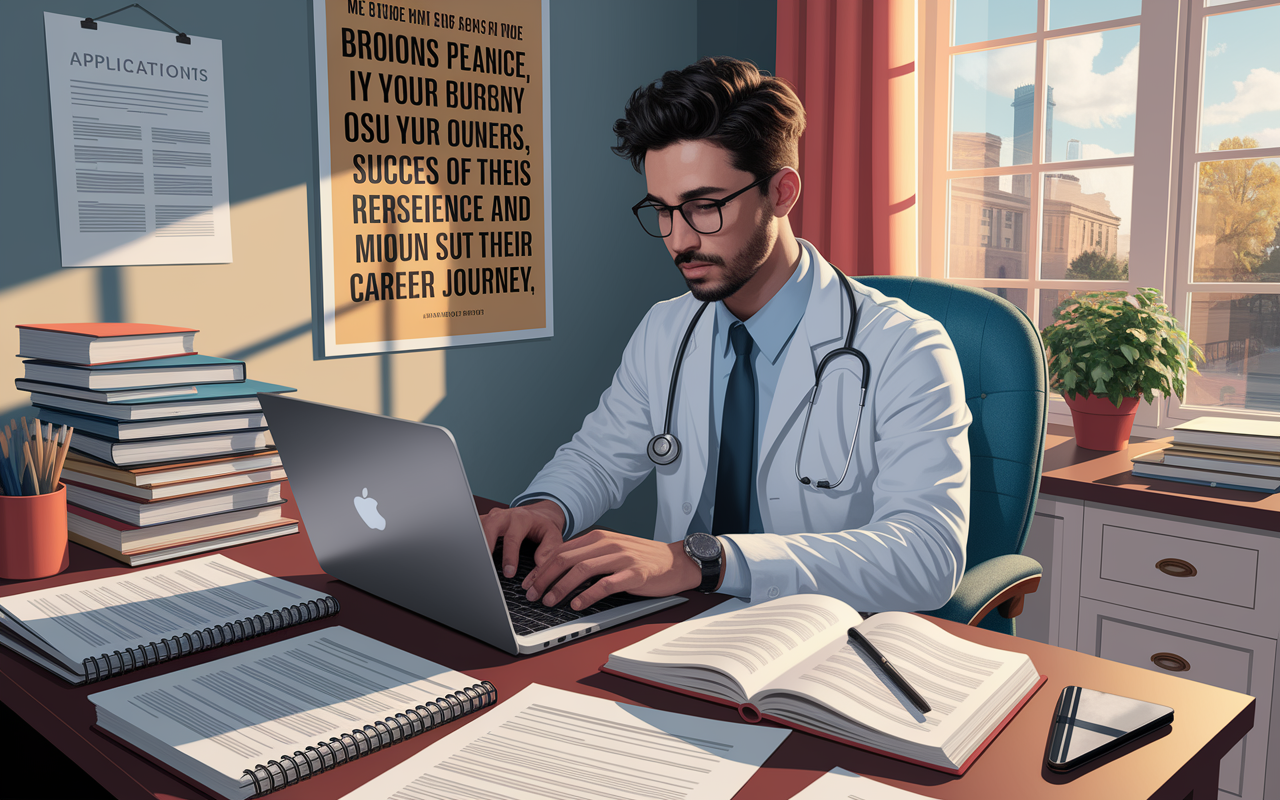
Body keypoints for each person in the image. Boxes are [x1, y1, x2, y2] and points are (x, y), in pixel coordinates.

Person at [481, 56, 970, 615]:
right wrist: (545, 510)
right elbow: (599, 457)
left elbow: (928, 558)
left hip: (827, 639)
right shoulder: (666, 328)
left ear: (782, 194)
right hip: (676, 626)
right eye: (662, 211)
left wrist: (704, 561)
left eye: (704, 207)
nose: (678, 240)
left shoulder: (905, 346)